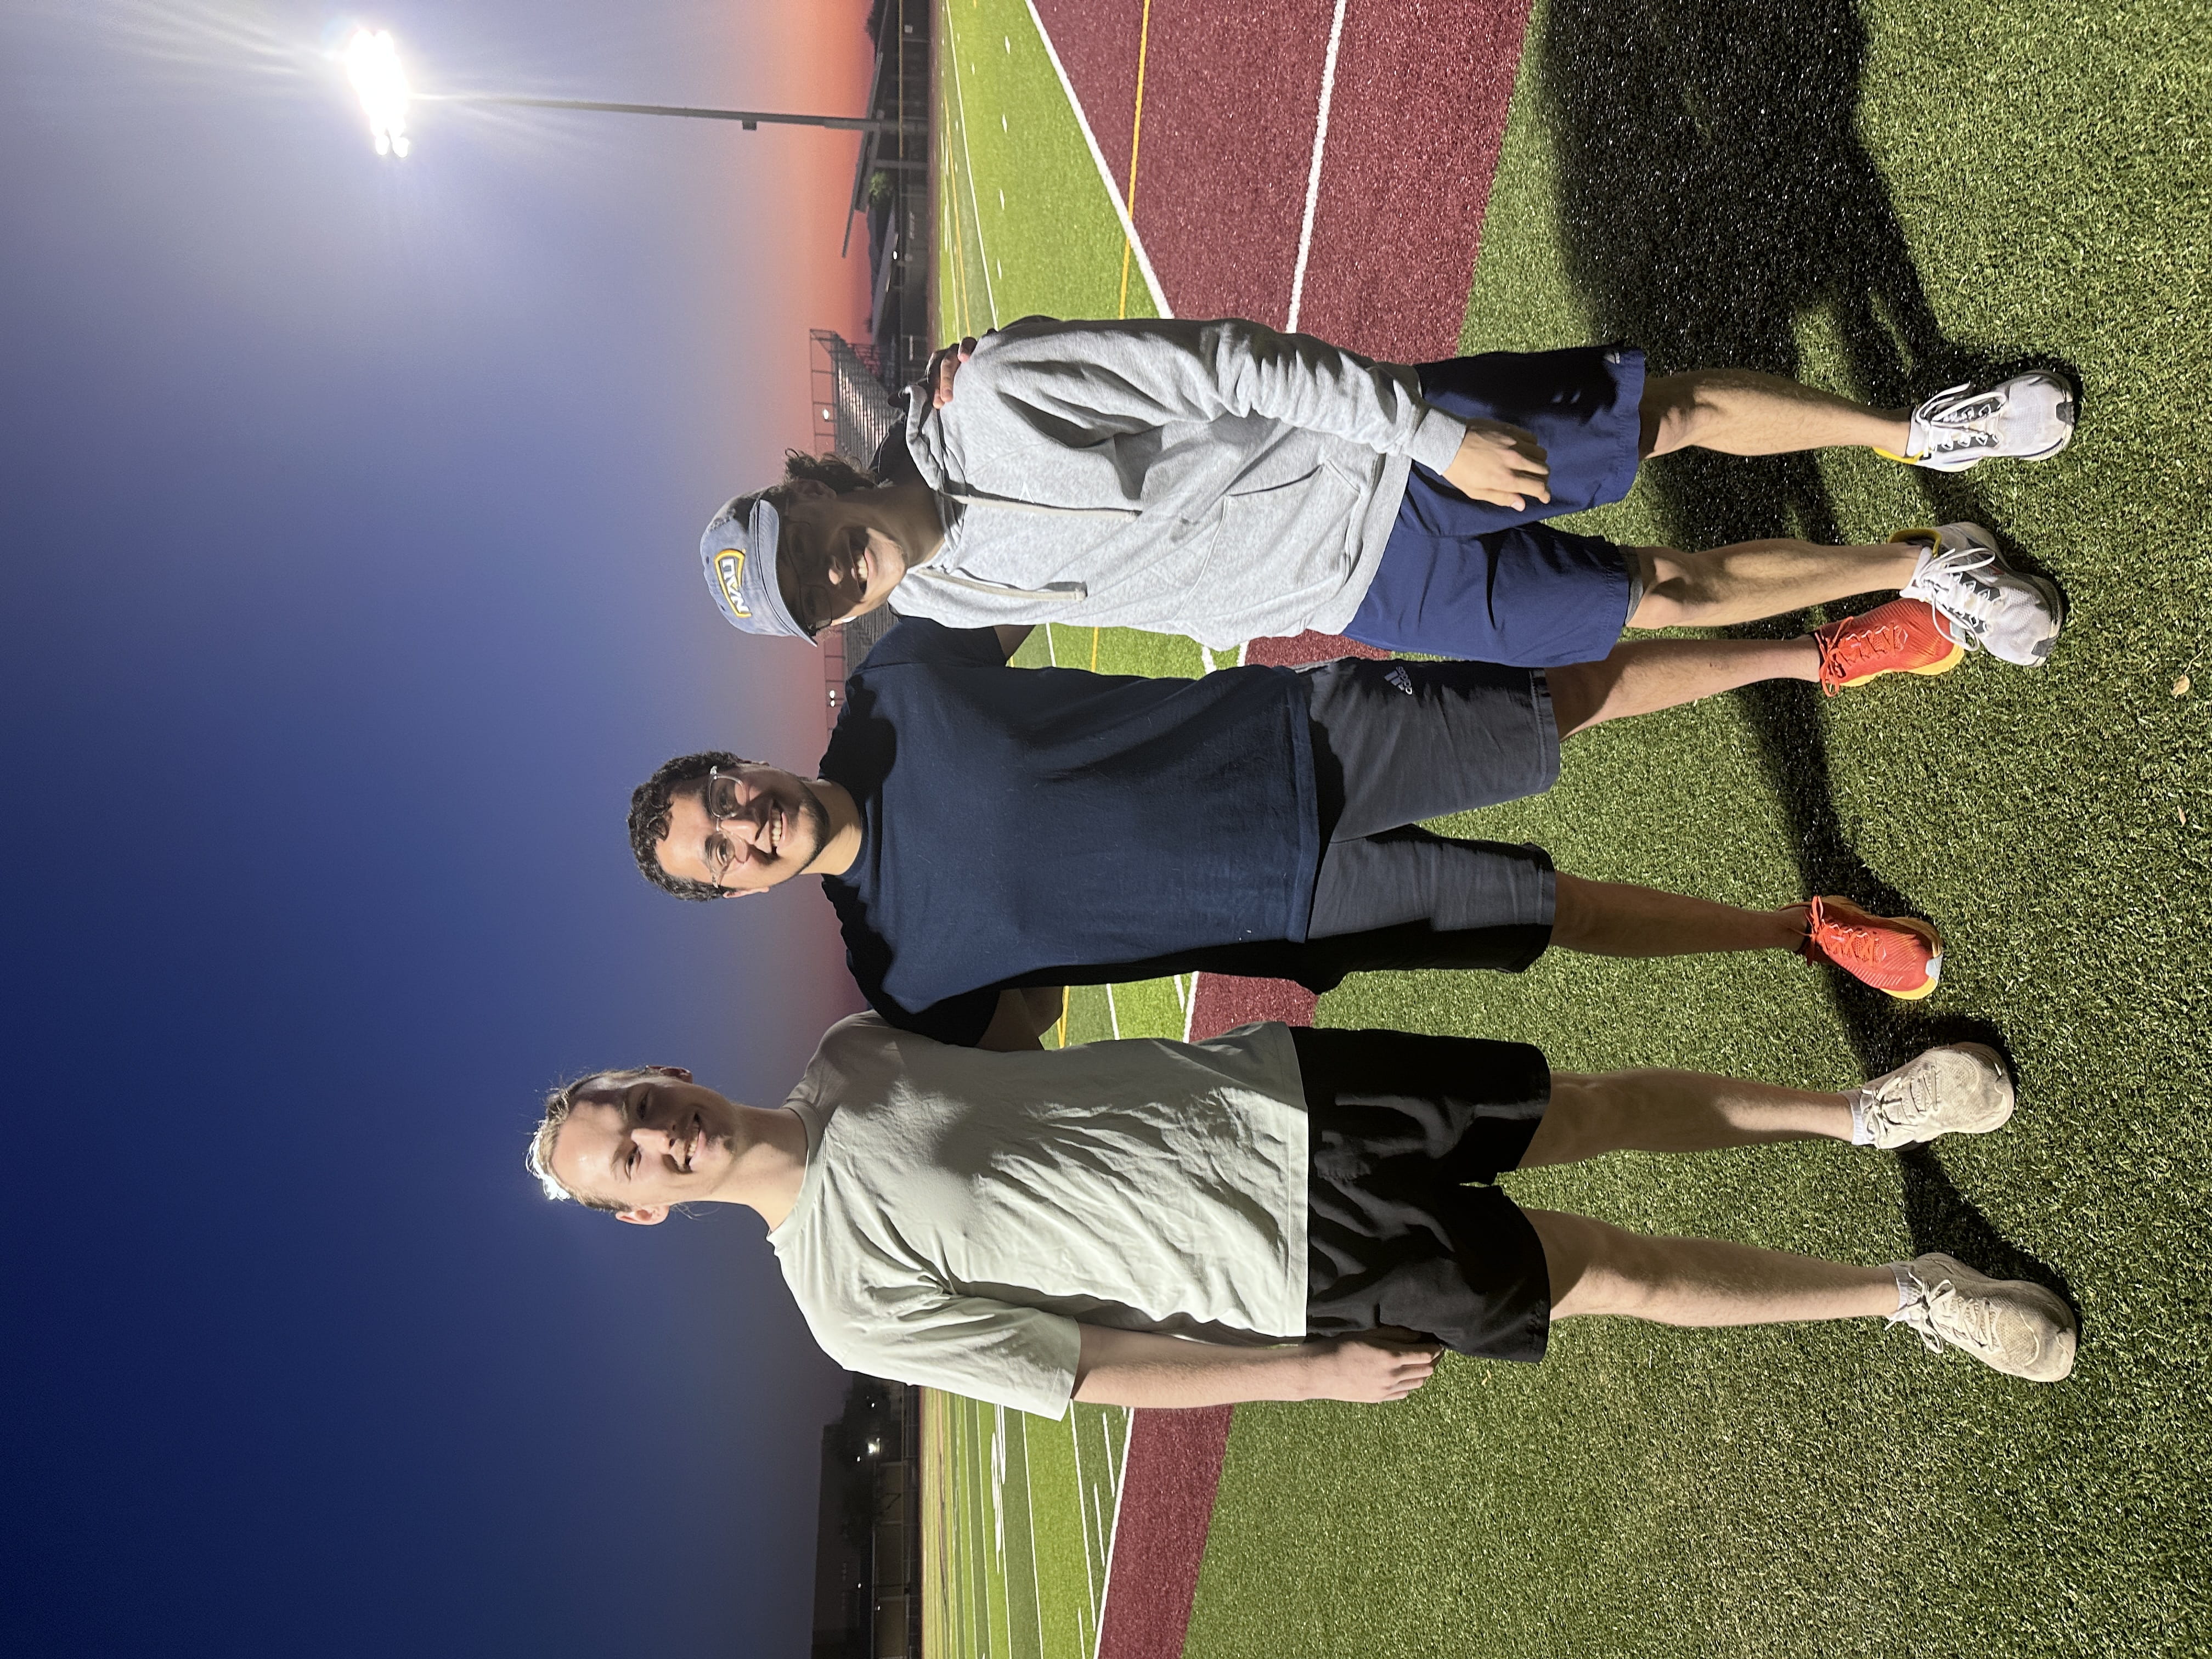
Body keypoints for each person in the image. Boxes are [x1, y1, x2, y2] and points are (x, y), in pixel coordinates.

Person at [524, 1015, 2079, 1408]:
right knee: (1615, 1276)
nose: (658, 1140)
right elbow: (1095, 1367)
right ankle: (1912, 1293)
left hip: (1289, 1094)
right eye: (631, 1165)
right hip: (1285, 1265)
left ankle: (1866, 1110)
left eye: (636, 1113)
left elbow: (1022, 1033)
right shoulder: (842, 1309)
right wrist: (1307, 1372)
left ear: (663, 1075)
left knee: (1586, 1107)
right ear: (646, 1214)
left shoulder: (848, 1052)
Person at [627, 617, 1955, 1047]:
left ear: (740, 764)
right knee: (1564, 914)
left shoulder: (891, 687)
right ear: (740, 893)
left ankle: (1815, 653)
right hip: (1300, 905)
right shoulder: (899, 976)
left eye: (724, 801)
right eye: (722, 855)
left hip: (1298, 737)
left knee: (1571, 703)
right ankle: (1803, 932)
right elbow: (1026, 1030)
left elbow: (1005, 550)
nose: (747, 829)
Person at [698, 317, 2070, 670]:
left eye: (804, 547)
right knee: (1652, 598)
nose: (833, 578)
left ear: (813, 489)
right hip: (1370, 589)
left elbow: (1234, 361)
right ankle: (1919, 567)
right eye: (815, 601)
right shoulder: (937, 605)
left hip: (1387, 455)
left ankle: (1921, 433)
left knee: (1662, 419)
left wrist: (1426, 432)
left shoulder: (987, 393)